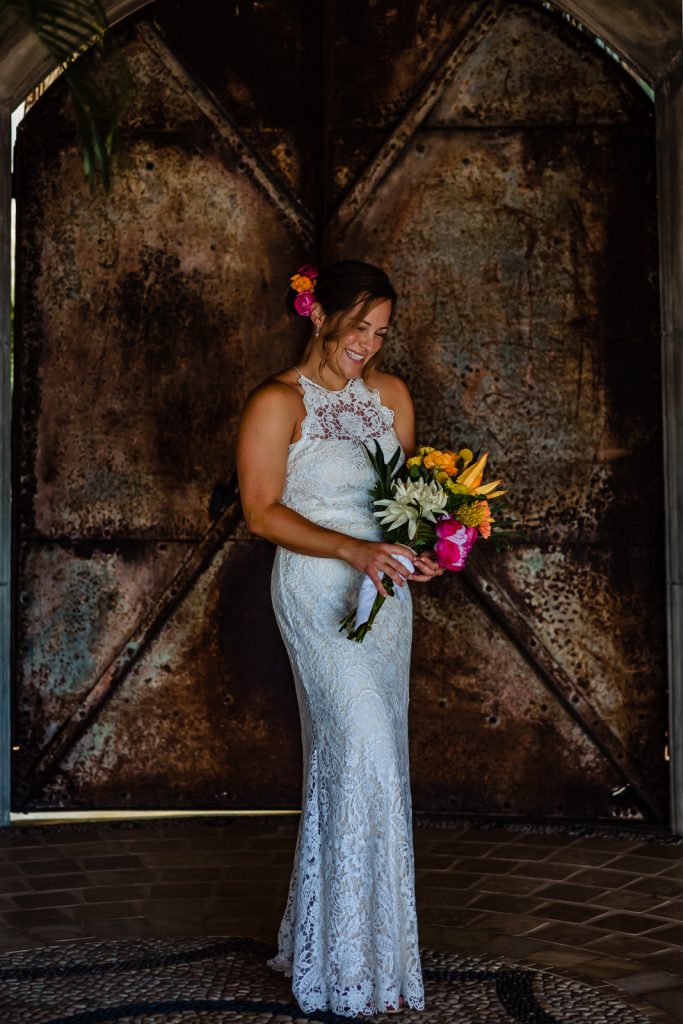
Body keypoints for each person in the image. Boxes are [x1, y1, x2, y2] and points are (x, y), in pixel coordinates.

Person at [236, 259, 443, 1018]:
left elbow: (403, 505)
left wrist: (424, 545)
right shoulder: (275, 402)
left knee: (373, 758)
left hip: (383, 596)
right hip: (317, 588)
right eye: (359, 326)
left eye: (381, 333)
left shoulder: (390, 397)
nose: (369, 344)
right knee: (361, 750)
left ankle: (363, 954)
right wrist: (352, 550)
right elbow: (260, 513)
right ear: (316, 313)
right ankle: (344, 968)